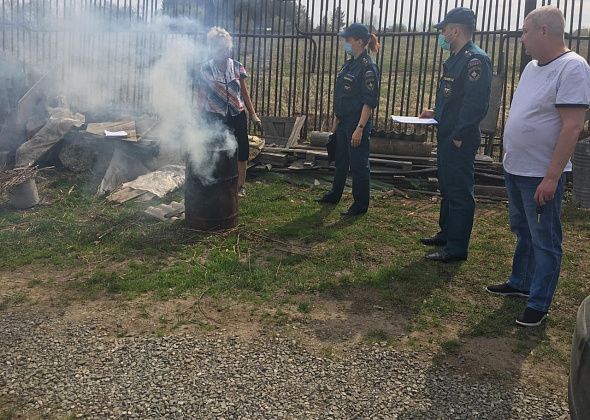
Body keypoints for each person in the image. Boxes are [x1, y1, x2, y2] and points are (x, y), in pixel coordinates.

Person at [486, 6, 590, 327]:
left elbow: (572, 126)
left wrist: (552, 176)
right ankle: (521, 281)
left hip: (540, 175)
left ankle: (539, 302)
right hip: (516, 168)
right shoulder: (532, 67)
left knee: (545, 239)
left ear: (544, 31)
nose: (521, 39)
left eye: (525, 32)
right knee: (523, 231)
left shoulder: (572, 68)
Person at [419, 8, 492, 262]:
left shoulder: (475, 60)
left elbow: (475, 104)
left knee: (459, 191)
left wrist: (460, 135)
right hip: (448, 133)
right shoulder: (457, 57)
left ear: (455, 30)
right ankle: (446, 233)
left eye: (444, 29)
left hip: (459, 137)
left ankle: (456, 247)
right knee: (448, 186)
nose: (442, 34)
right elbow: (453, 98)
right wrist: (434, 112)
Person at [316, 23, 380, 216]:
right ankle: (334, 194)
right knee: (341, 160)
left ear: (359, 41)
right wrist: (336, 121)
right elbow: (342, 95)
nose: (345, 43)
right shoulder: (349, 64)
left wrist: (360, 128)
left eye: (348, 40)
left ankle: (360, 204)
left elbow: (369, 102)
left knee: (359, 164)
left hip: (356, 122)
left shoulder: (368, 68)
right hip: (344, 121)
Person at [197, 27, 261, 198]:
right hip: (215, 116)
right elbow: (201, 96)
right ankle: (218, 182)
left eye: (226, 48)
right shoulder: (206, 69)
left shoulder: (238, 67)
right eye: (219, 48)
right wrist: (197, 118)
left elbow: (244, 94)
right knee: (217, 149)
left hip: (237, 114)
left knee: (242, 150)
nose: (223, 51)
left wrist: (253, 114)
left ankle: (240, 186)